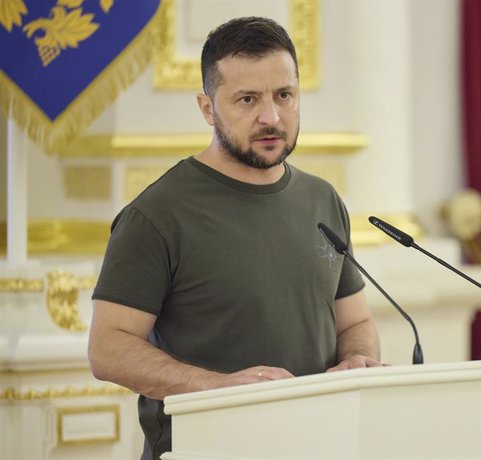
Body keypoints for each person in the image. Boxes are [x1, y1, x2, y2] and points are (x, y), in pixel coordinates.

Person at [87, 16, 381, 460]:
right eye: (247, 99)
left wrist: (356, 361)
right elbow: (108, 349)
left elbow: (355, 323)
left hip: (319, 444)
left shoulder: (322, 200)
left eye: (284, 95)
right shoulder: (157, 214)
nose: (271, 117)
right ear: (207, 108)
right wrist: (220, 388)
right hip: (205, 449)